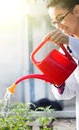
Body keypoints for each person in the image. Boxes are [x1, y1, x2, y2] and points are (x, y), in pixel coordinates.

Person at [44, 0, 79, 130]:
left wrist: (69, 41)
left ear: (77, 11)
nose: (58, 26)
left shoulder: (68, 42)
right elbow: (69, 92)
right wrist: (58, 80)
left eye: (60, 18)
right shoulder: (65, 47)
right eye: (54, 22)